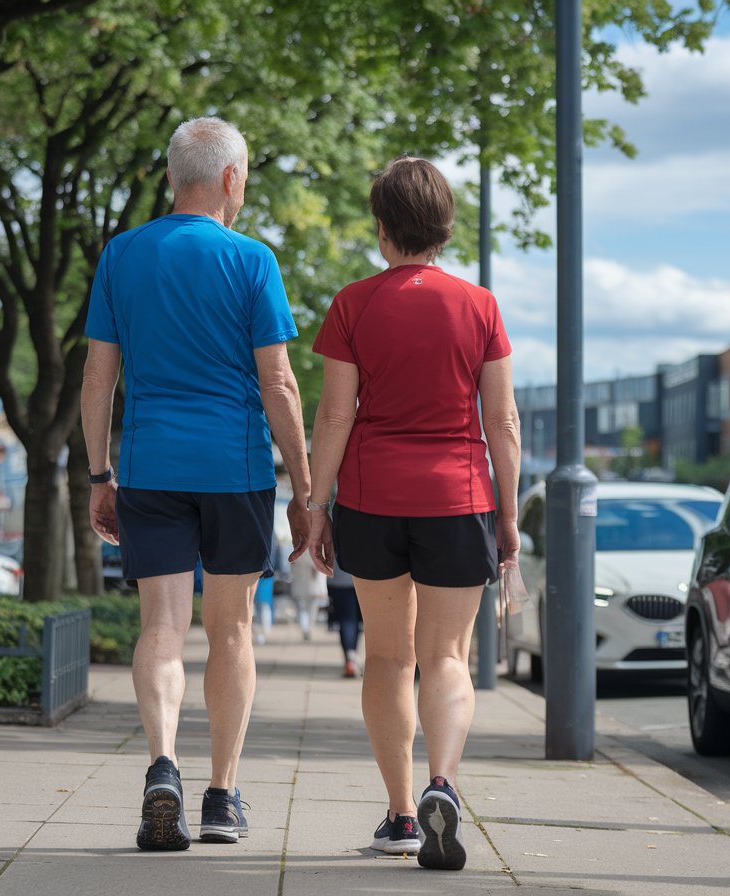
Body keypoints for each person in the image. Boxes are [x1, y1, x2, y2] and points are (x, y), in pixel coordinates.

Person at [81, 117, 312, 853]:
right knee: (231, 629)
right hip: (235, 469)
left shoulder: (122, 255)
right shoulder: (252, 261)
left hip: (149, 467)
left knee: (160, 628)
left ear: (172, 174)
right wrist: (306, 488)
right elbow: (277, 381)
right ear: (232, 180)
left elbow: (97, 379)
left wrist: (99, 474)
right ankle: (220, 796)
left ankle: (161, 766)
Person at [306, 156, 520, 871]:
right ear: (443, 226)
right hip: (459, 498)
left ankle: (401, 815)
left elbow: (336, 413)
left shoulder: (353, 304)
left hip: (371, 498)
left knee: (389, 658)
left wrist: (315, 503)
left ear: (382, 227)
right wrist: (510, 518)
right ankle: (443, 785)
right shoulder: (480, 306)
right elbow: (505, 422)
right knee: (447, 659)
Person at [327, 564, 362, 677]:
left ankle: (350, 657)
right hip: (367, 576)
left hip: (339, 578)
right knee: (355, 621)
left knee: (347, 619)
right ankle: (352, 656)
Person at [289, 548, 327, 640]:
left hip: (302, 585)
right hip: (313, 586)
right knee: (311, 609)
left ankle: (305, 628)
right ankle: (308, 628)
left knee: (303, 609)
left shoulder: (296, 551)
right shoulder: (318, 550)